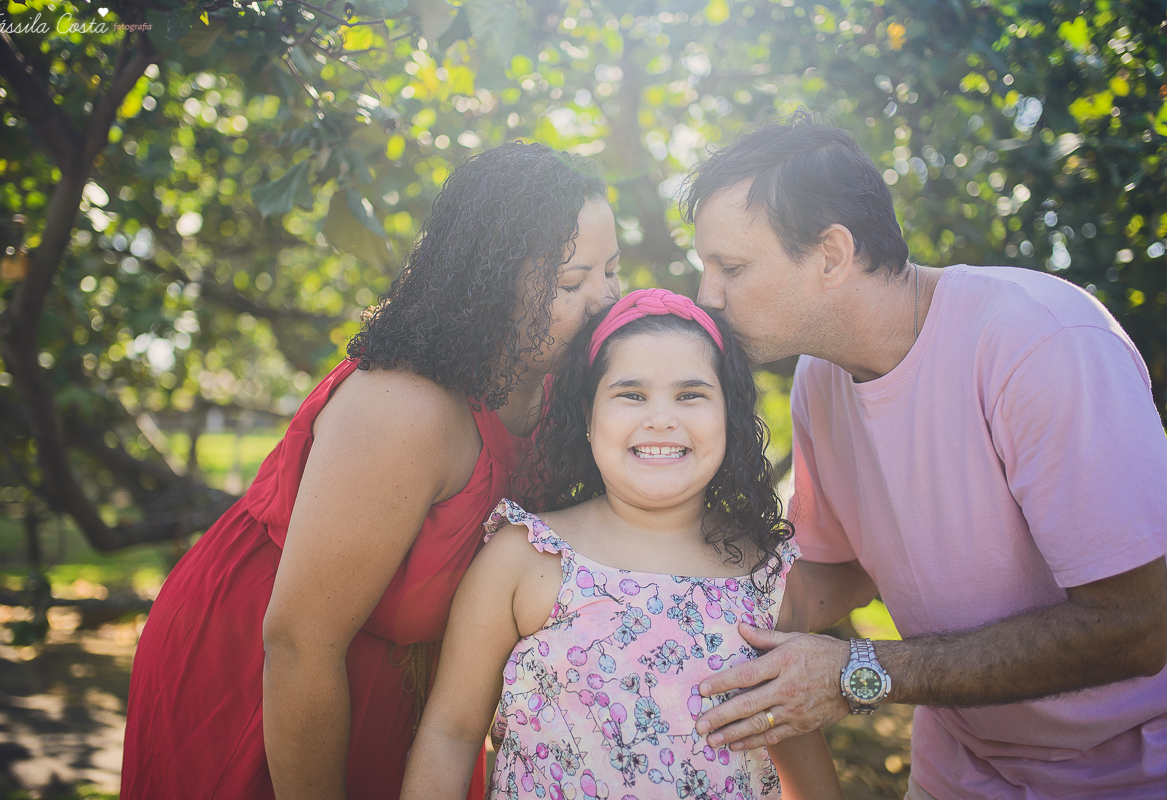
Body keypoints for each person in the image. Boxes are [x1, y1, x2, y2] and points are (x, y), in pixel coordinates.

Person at [678, 115, 1167, 798]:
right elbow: (837, 571)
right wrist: (685, 607)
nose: (708, 295)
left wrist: (858, 670)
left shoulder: (1041, 345)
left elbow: (1139, 625)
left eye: (731, 267)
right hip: (963, 765)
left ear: (831, 254)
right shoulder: (822, 379)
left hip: (1127, 771)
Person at [121, 142, 622, 800]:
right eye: (570, 281)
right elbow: (300, 641)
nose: (603, 299)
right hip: (268, 671)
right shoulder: (403, 409)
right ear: (492, 284)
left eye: (612, 271)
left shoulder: (562, 388)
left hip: (405, 678)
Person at [399, 289, 843, 800]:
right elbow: (450, 734)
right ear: (588, 416)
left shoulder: (767, 580)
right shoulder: (526, 556)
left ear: (730, 416)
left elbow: (800, 753)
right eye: (632, 394)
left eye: (690, 395)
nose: (660, 419)